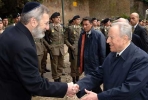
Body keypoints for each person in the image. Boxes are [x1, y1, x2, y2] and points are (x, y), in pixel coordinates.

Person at [0, 2, 78, 100]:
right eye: (45, 23)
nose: (47, 27)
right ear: (33, 21)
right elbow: (36, 85)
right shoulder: (24, 46)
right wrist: (66, 88)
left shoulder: (11, 31)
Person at [75, 22, 148, 100]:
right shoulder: (113, 54)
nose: (107, 41)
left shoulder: (142, 59)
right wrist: (78, 86)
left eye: (111, 37)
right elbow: (99, 74)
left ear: (125, 38)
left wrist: (98, 96)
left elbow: (129, 89)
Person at [44, 12, 65, 82]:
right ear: (53, 19)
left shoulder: (61, 26)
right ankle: (56, 78)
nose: (59, 19)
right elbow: (44, 38)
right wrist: (49, 46)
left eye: (59, 17)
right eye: (57, 17)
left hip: (61, 48)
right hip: (54, 48)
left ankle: (59, 77)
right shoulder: (49, 27)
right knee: (54, 65)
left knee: (60, 64)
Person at [64, 15, 81, 83]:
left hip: (80, 48)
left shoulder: (80, 28)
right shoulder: (70, 28)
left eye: (79, 19)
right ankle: (74, 79)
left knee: (79, 64)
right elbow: (65, 39)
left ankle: (78, 77)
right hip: (73, 48)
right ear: (74, 21)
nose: (79, 21)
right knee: (74, 65)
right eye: (77, 19)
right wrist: (70, 46)